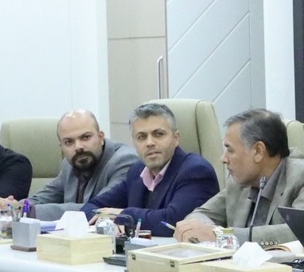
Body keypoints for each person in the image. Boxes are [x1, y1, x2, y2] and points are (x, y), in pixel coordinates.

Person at [174, 108, 304, 244]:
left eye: (230, 150)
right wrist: (198, 229)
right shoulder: (240, 182)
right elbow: (200, 215)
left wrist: (222, 236)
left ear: (258, 151)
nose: (223, 159)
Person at [84, 102, 219, 238]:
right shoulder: (137, 171)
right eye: (141, 137)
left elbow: (173, 222)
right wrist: (105, 221)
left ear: (176, 138)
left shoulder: (196, 171)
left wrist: (121, 216)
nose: (149, 143)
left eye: (158, 134)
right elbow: (90, 207)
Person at [8, 110, 140, 220]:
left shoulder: (124, 160)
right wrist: (14, 206)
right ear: (61, 147)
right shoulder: (71, 163)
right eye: (69, 142)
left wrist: (29, 212)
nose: (78, 147)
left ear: (101, 137)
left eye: (85, 137)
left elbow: (98, 208)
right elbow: (46, 196)